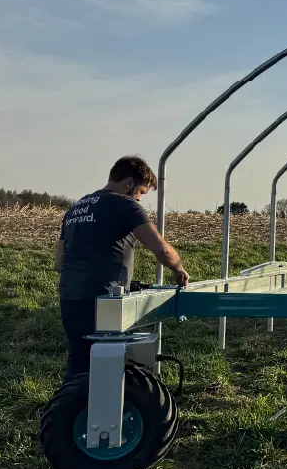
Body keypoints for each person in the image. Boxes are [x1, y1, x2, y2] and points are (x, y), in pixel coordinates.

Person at [54, 156, 189, 382]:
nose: (139, 199)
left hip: (70, 296)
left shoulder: (76, 208)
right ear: (128, 184)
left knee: (79, 360)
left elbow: (59, 262)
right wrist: (179, 270)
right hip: (105, 299)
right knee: (109, 361)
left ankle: (73, 410)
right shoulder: (124, 205)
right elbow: (162, 250)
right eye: (141, 192)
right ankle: (109, 414)